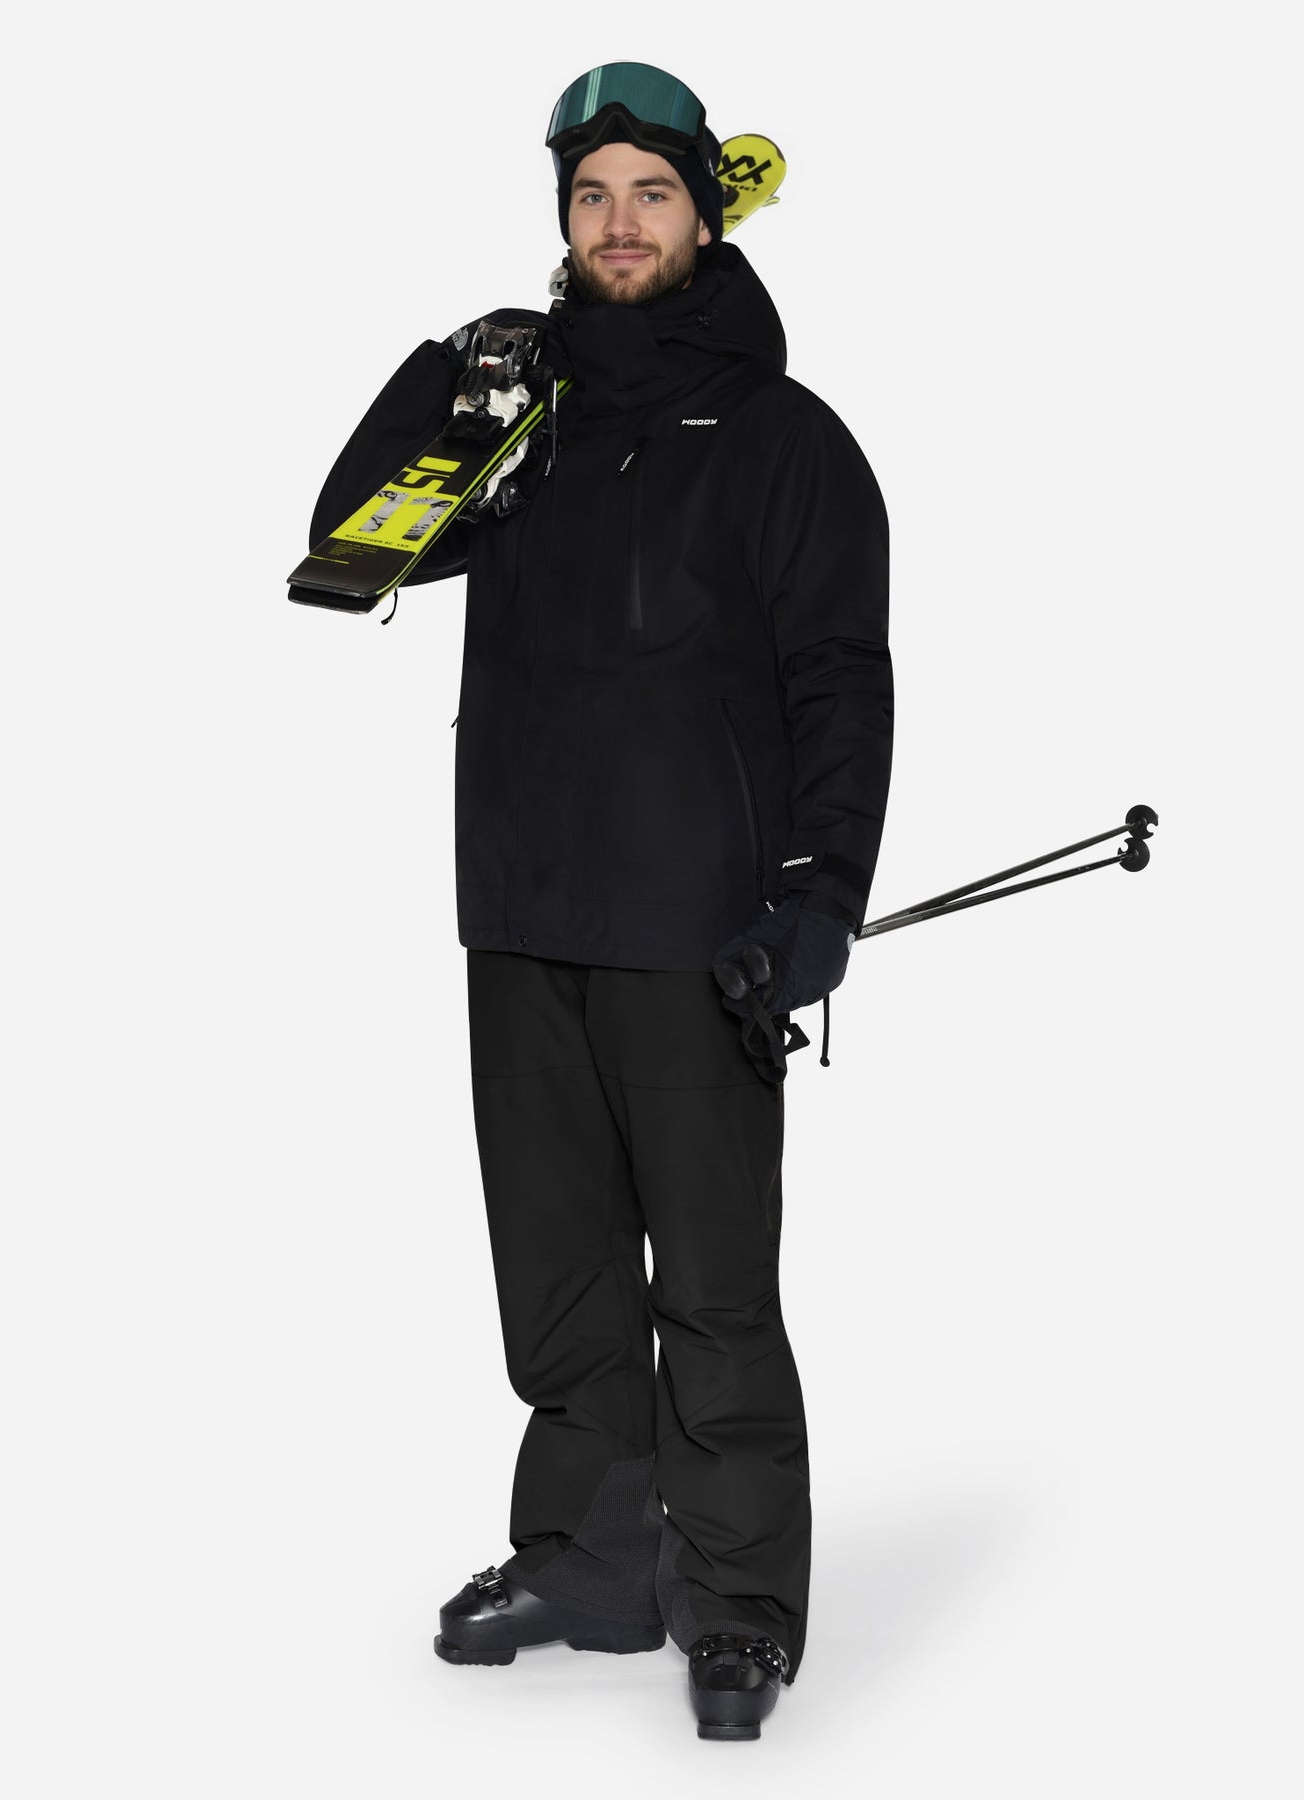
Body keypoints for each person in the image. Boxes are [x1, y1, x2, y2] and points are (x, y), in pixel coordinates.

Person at [301, 61, 893, 1741]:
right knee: (557, 1276)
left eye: (651, 194)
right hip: (523, 911)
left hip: (700, 930)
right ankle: (592, 1559)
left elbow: (842, 681)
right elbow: (351, 548)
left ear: (706, 214)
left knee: (711, 1286)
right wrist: (449, 373)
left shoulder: (782, 439)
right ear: (563, 222)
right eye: (591, 197)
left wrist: (820, 897)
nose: (619, 224)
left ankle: (739, 1605)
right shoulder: (521, 427)